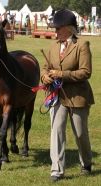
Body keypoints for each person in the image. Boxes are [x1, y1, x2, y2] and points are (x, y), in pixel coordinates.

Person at [41, 9, 94, 182]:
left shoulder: (82, 46)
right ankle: (57, 170)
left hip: (77, 96)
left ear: (69, 29)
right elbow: (45, 67)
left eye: (58, 28)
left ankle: (86, 162)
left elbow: (86, 72)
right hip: (57, 97)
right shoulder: (53, 46)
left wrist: (61, 74)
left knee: (80, 133)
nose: (55, 31)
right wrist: (46, 76)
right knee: (56, 130)